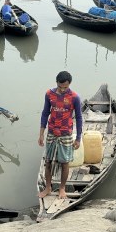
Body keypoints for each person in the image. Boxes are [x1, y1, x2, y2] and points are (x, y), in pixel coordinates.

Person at [38, 71, 82, 199]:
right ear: (56, 82)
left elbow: (79, 118)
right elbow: (45, 113)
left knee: (65, 162)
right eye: (60, 86)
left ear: (69, 85)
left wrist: (78, 138)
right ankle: (48, 187)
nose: (63, 90)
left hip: (66, 133)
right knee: (48, 161)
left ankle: (62, 188)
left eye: (65, 87)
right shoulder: (49, 94)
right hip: (52, 131)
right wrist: (41, 134)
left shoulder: (74, 97)